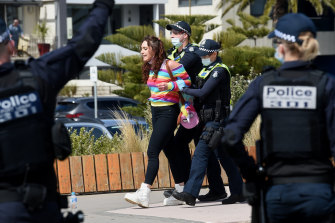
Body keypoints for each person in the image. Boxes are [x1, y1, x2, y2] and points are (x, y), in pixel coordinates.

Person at [0, 0, 114, 222]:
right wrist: (103, 5)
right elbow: (81, 45)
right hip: (44, 209)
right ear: (11, 45)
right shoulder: (37, 76)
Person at [221, 13, 335, 223]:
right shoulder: (325, 85)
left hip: (278, 192)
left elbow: (230, 136)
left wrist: (252, 174)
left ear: (281, 47)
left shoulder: (264, 84)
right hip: (319, 191)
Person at [172, 39, 244, 206]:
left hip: (218, 122)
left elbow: (203, 91)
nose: (202, 57)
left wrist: (181, 88)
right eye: (201, 54)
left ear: (214, 54)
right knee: (225, 158)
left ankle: (190, 193)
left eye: (205, 55)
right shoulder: (206, 70)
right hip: (210, 121)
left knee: (200, 154)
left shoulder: (220, 71)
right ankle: (239, 193)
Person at [124, 35, 191, 208]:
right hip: (156, 112)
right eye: (141, 49)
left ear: (154, 49)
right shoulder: (150, 67)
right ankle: (180, 190)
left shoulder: (171, 65)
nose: (142, 52)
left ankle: (145, 193)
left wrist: (169, 86)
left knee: (152, 151)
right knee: (171, 151)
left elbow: (188, 82)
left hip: (169, 112)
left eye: (145, 48)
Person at [162, 20, 204, 206]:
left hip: (196, 108)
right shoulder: (172, 54)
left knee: (181, 144)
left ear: (185, 35)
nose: (171, 36)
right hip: (184, 107)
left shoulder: (192, 53)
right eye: (171, 33)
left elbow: (173, 70)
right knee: (189, 146)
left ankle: (186, 188)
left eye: (175, 33)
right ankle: (189, 187)